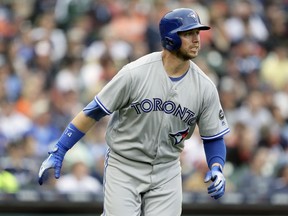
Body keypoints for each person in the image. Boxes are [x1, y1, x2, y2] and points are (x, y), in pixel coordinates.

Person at [38, 8, 230, 216]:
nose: (196, 40)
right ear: (170, 39)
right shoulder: (136, 73)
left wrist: (217, 166)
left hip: (166, 169)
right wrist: (61, 148)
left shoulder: (204, 86)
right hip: (124, 164)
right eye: (188, 34)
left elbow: (213, 136)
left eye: (197, 33)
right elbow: (93, 111)